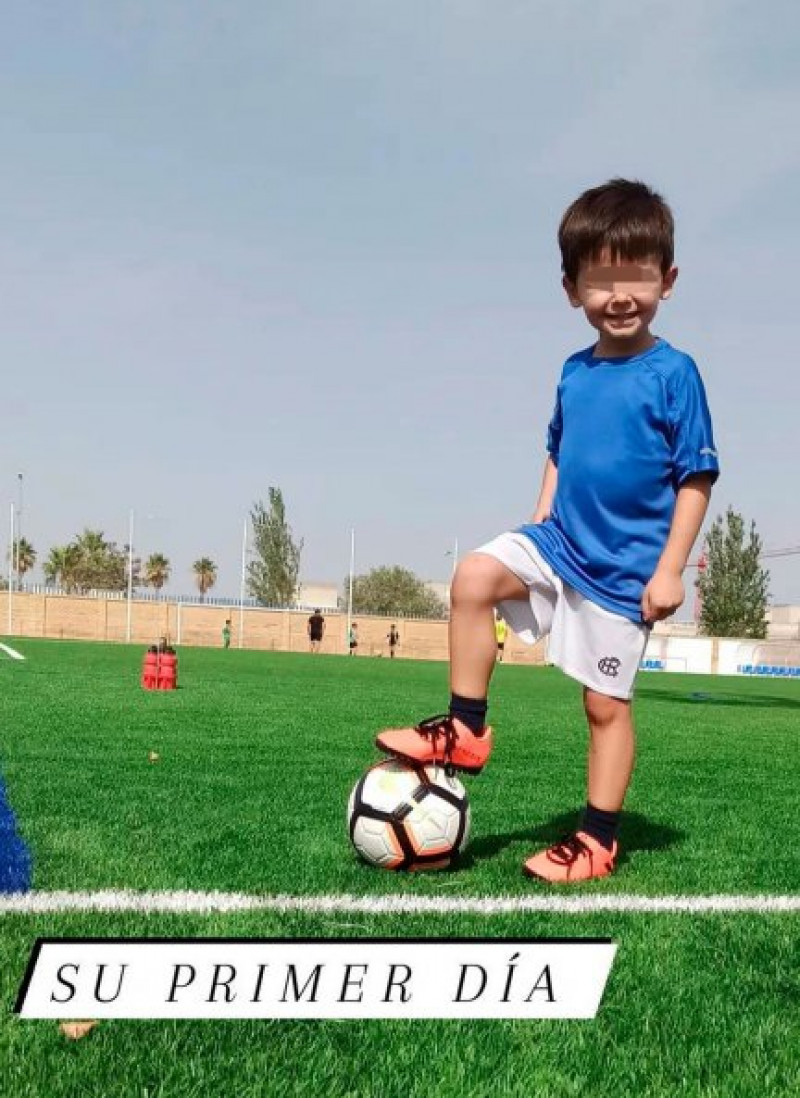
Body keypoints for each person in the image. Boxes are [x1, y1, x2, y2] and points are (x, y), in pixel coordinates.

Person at [376, 179, 719, 884]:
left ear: (669, 280)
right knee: (473, 575)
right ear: (572, 290)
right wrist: (541, 511)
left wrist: (671, 568)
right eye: (601, 280)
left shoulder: (675, 375)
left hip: (626, 570)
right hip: (559, 540)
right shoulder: (573, 372)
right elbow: (561, 449)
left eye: (638, 276)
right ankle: (466, 728)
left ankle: (595, 841)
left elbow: (696, 477)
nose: (620, 295)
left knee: (603, 707)